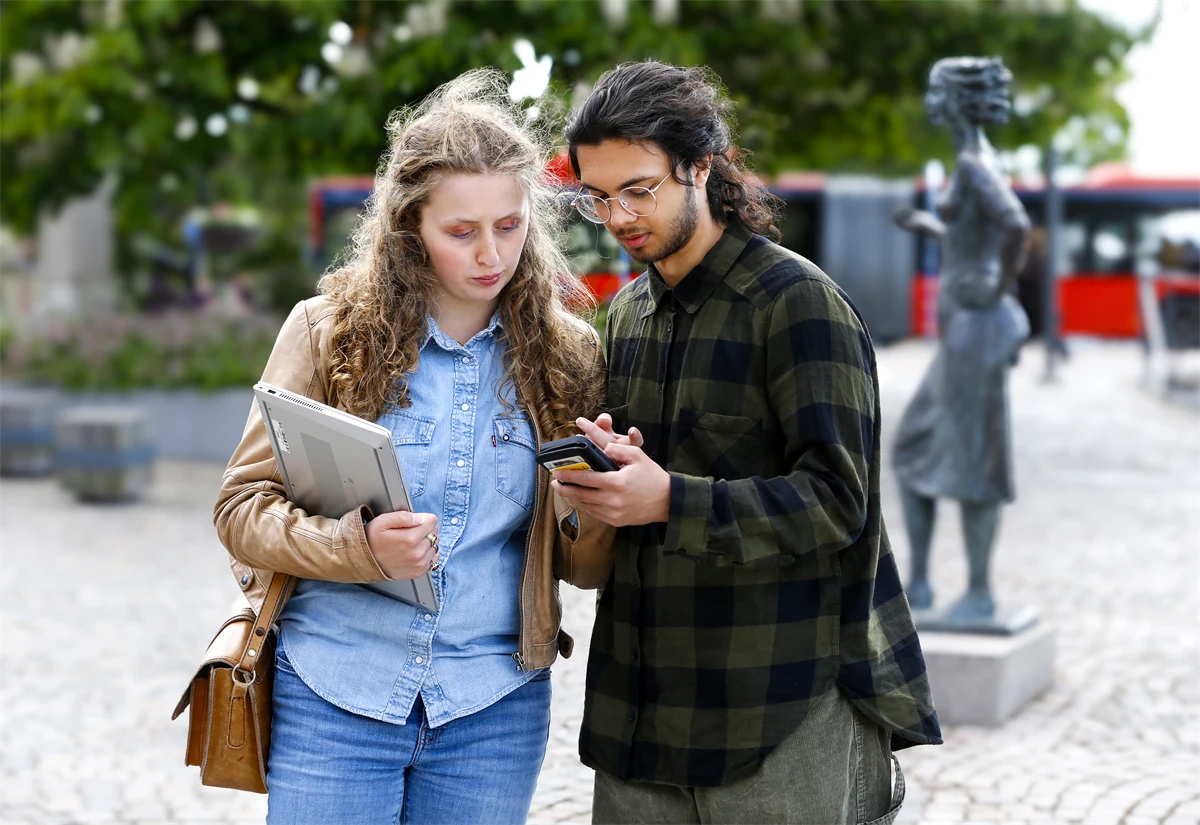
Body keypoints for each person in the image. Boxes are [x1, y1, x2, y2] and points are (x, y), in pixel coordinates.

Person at [212, 69, 614, 824]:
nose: (491, 253)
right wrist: (359, 547)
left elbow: (587, 569)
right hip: (335, 690)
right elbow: (241, 510)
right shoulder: (325, 332)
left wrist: (592, 505)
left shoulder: (570, 356)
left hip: (492, 706)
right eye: (460, 231)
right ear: (408, 229)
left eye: (511, 223)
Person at [553, 61, 941, 825]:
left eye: (640, 188)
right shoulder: (627, 313)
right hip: (639, 708)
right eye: (598, 197)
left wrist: (670, 498)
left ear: (701, 166)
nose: (618, 216)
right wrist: (601, 479)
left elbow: (838, 503)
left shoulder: (800, 306)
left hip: (778, 704)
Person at [891, 57, 1032, 621]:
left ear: (954, 100)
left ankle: (976, 594)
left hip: (977, 330)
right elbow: (977, 234)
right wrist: (935, 229)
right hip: (968, 332)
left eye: (935, 91)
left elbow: (1016, 224)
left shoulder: (974, 162)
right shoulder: (976, 160)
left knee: (975, 461)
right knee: (914, 451)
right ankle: (923, 587)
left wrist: (994, 288)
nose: (929, 101)